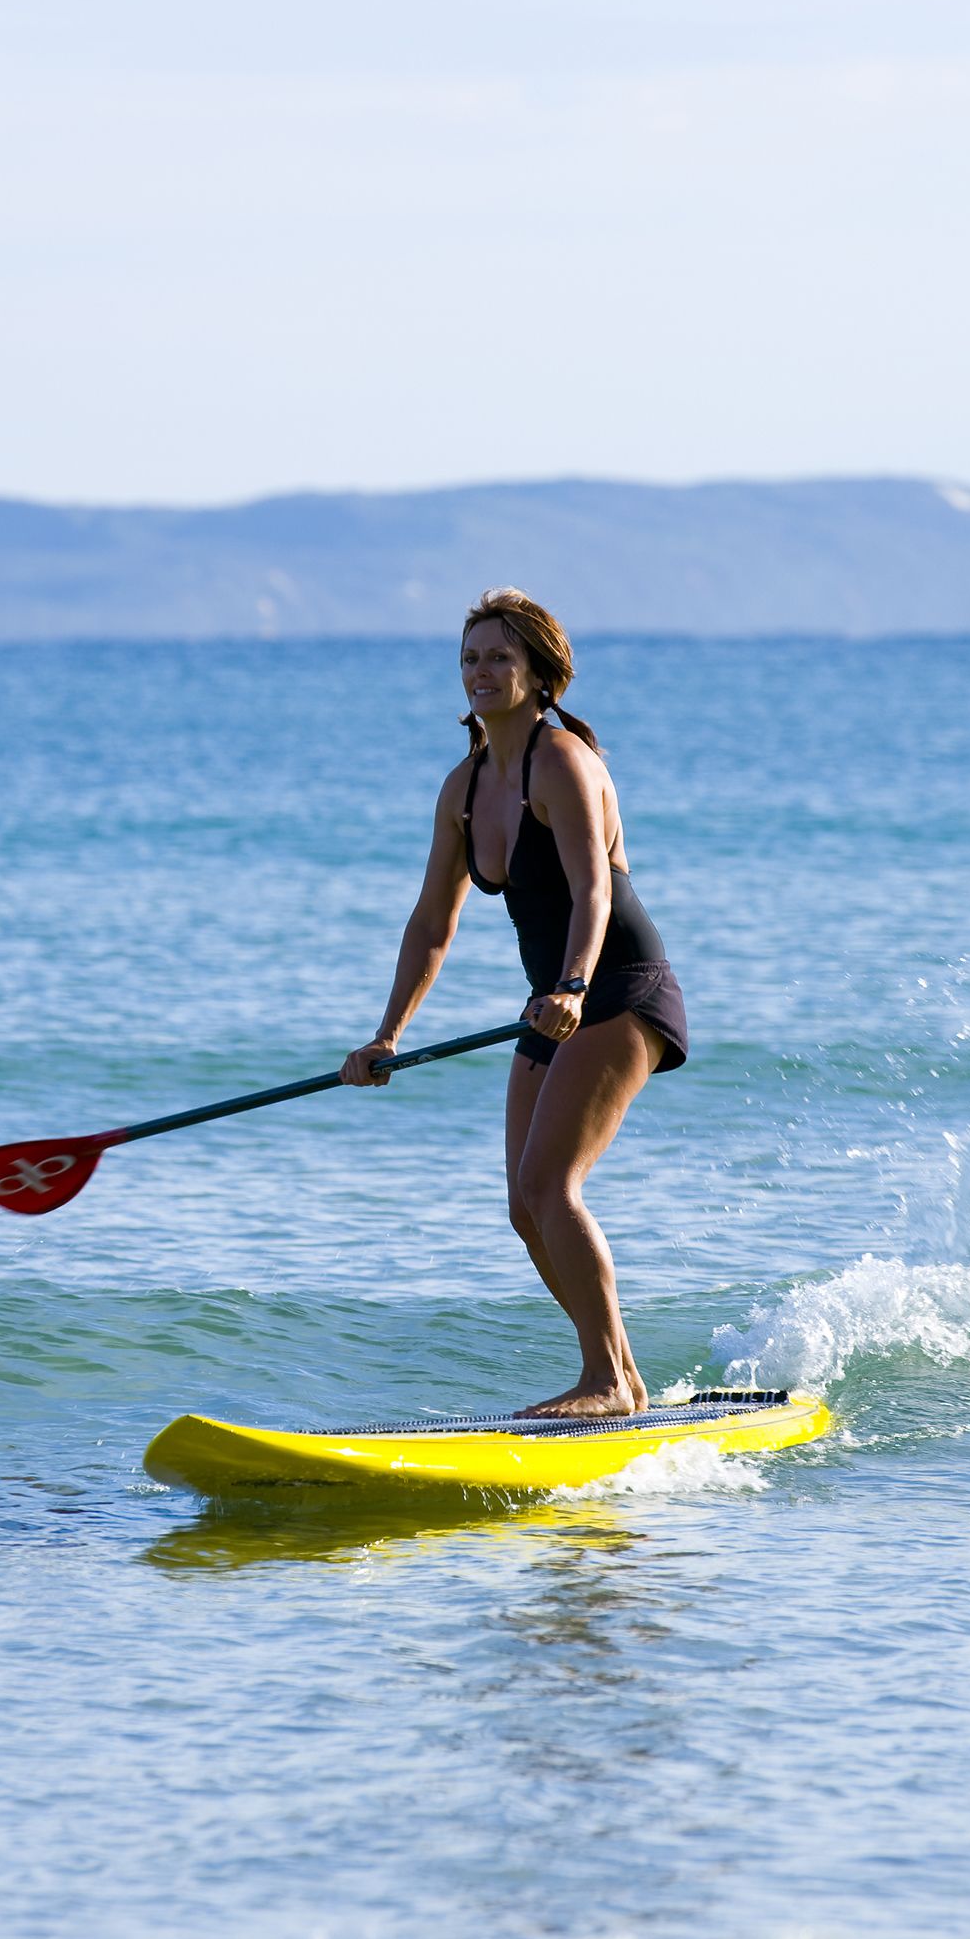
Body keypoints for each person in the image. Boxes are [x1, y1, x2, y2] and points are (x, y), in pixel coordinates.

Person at [342, 589, 688, 1417]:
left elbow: (591, 891)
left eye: (499, 657)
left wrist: (571, 984)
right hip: (554, 1003)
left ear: (539, 674)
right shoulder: (462, 787)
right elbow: (432, 920)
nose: (481, 671)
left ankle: (603, 1383)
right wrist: (387, 1035)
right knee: (522, 1208)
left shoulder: (562, 760)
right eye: (469, 658)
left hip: (618, 991)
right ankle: (623, 1378)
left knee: (550, 1183)